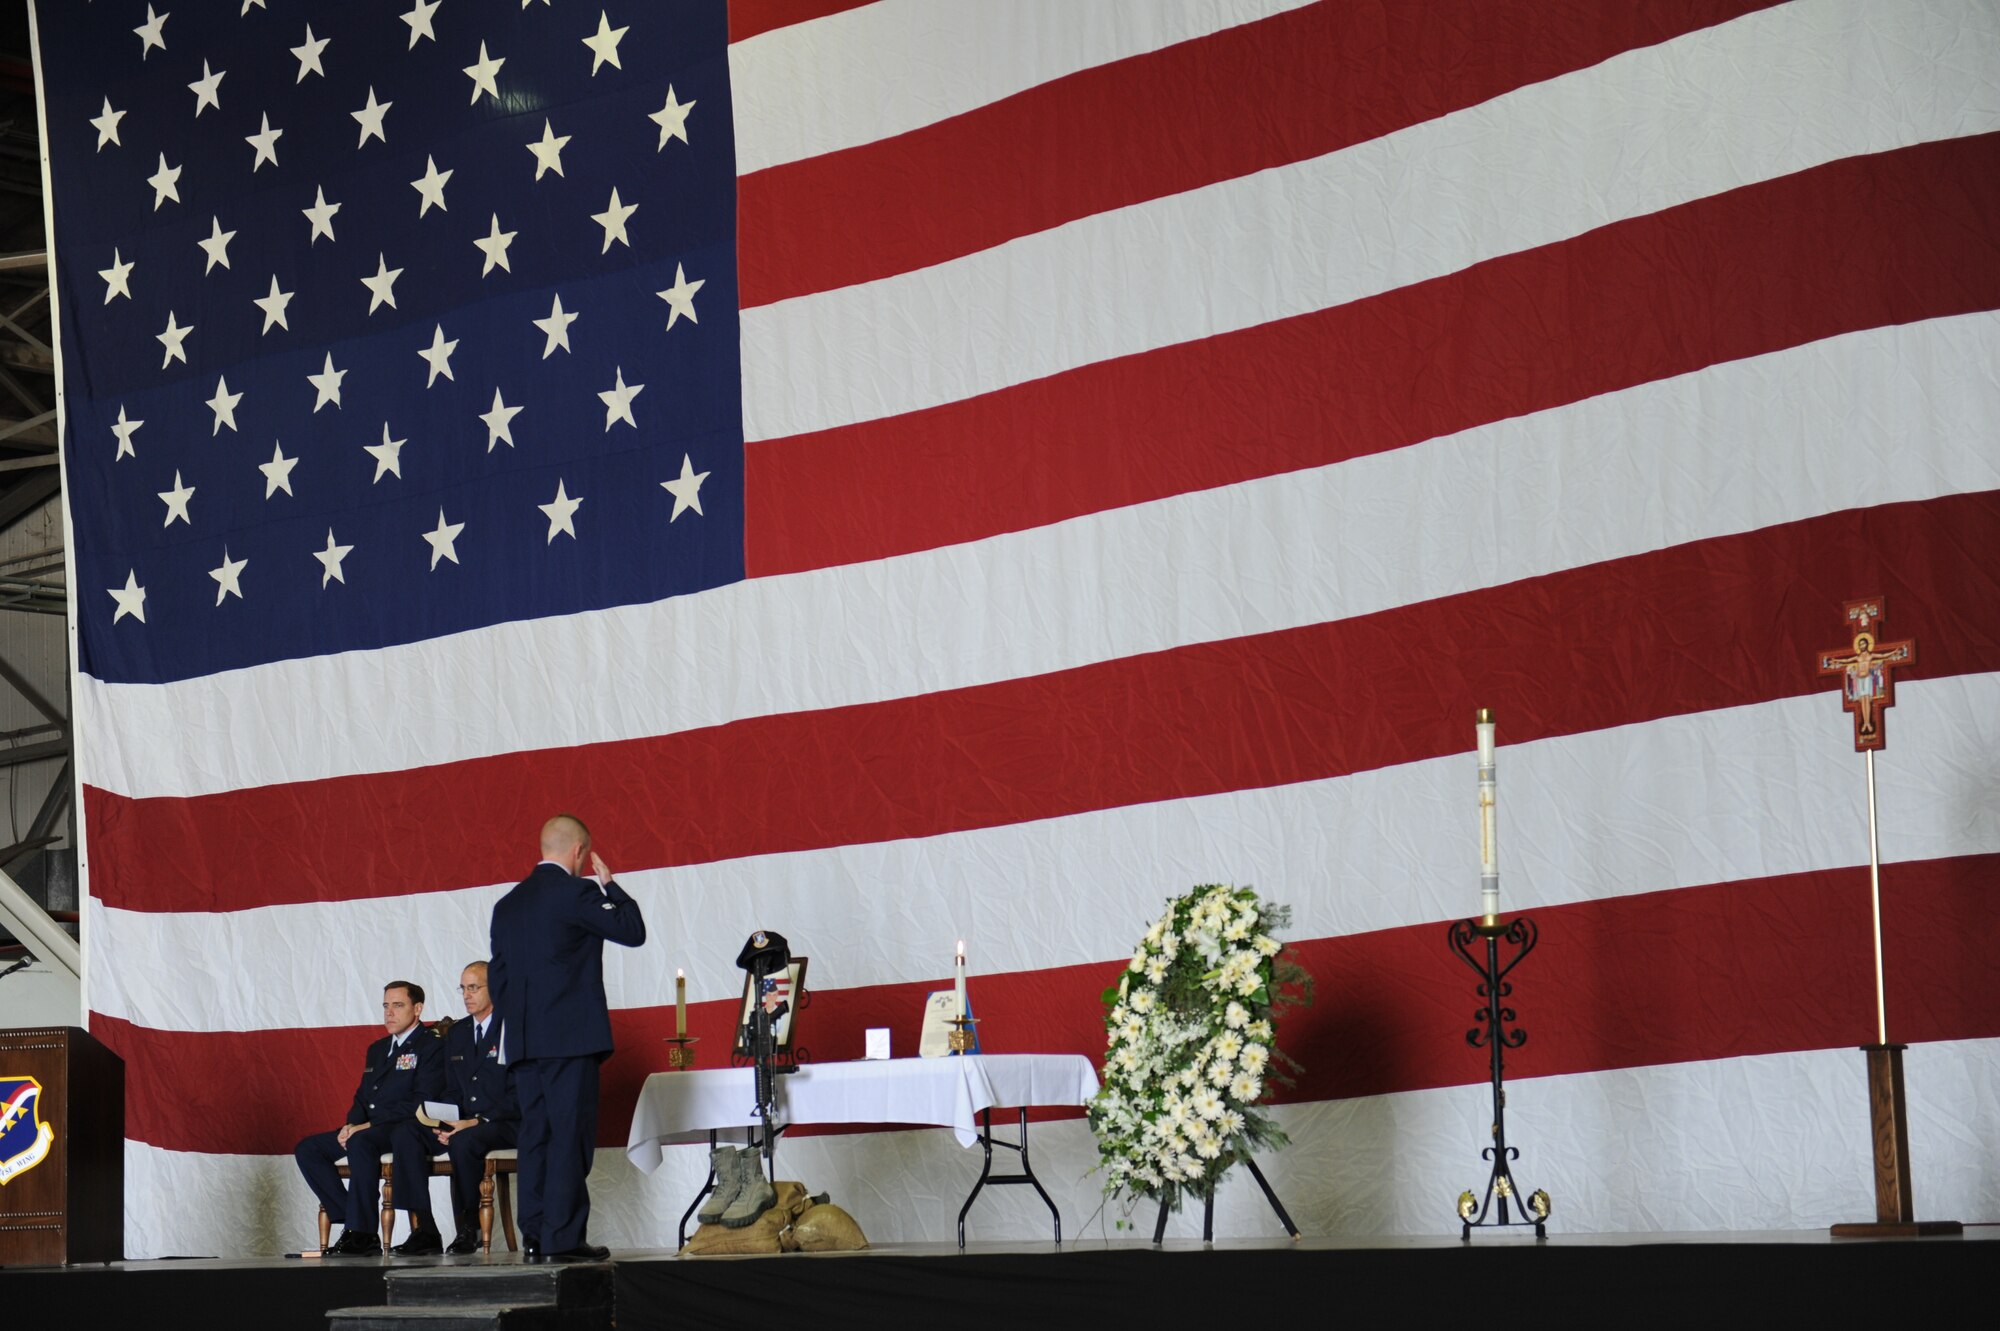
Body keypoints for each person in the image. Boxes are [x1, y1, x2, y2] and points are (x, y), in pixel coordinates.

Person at [490, 814, 646, 1261]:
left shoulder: (508, 904)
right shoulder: (577, 892)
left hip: (521, 1042)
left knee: (534, 1136)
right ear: (580, 851)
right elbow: (632, 932)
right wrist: (609, 886)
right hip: (569, 1041)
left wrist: (520, 1024)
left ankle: (536, 1233)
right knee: (568, 1137)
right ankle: (563, 1239)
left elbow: (498, 977)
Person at [294, 981, 446, 1257]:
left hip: (402, 1127)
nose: (389, 1013)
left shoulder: (430, 1046)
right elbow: (363, 1096)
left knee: (361, 1141)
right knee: (308, 1149)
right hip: (369, 1127)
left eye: (398, 1005)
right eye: (386, 1006)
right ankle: (351, 1218)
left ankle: (362, 1232)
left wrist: (367, 1126)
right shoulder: (378, 1048)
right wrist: (350, 1124)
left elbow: (420, 1101)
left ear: (418, 1008)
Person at [393, 961, 520, 1255]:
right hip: (463, 1122)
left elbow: (523, 1092)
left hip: (508, 1121)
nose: (466, 994)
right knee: (405, 1133)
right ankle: (424, 1228)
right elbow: (452, 1089)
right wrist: (444, 1120)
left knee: (465, 1141)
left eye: (474, 987)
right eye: (463, 988)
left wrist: (474, 1122)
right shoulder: (459, 1033)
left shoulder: (514, 1027)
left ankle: (468, 1226)